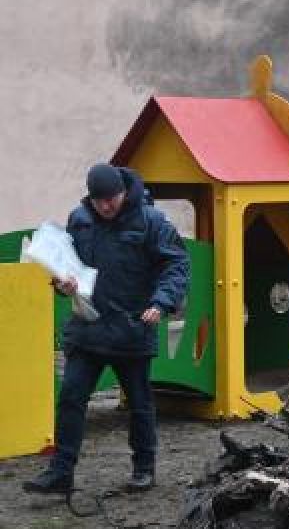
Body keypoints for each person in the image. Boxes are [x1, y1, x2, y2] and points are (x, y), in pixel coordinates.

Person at [24, 164, 190, 495]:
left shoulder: (151, 222)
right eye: (99, 200)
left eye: (111, 199)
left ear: (124, 191)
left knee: (140, 403)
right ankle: (61, 472)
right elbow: (66, 264)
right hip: (88, 328)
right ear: (91, 197)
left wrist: (161, 302)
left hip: (132, 327)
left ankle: (144, 468)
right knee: (71, 397)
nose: (105, 206)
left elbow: (177, 265)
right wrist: (62, 284)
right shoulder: (80, 220)